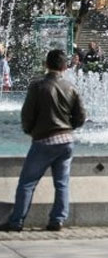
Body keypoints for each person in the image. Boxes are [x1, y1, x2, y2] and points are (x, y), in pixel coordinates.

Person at [1, 50, 87, 232]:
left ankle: (16, 221)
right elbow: (81, 116)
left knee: (27, 183)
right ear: (64, 67)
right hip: (66, 141)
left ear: (46, 64)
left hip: (44, 140)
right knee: (62, 182)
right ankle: (57, 219)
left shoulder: (38, 86)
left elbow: (27, 114)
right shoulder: (71, 87)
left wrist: (30, 130)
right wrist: (69, 127)